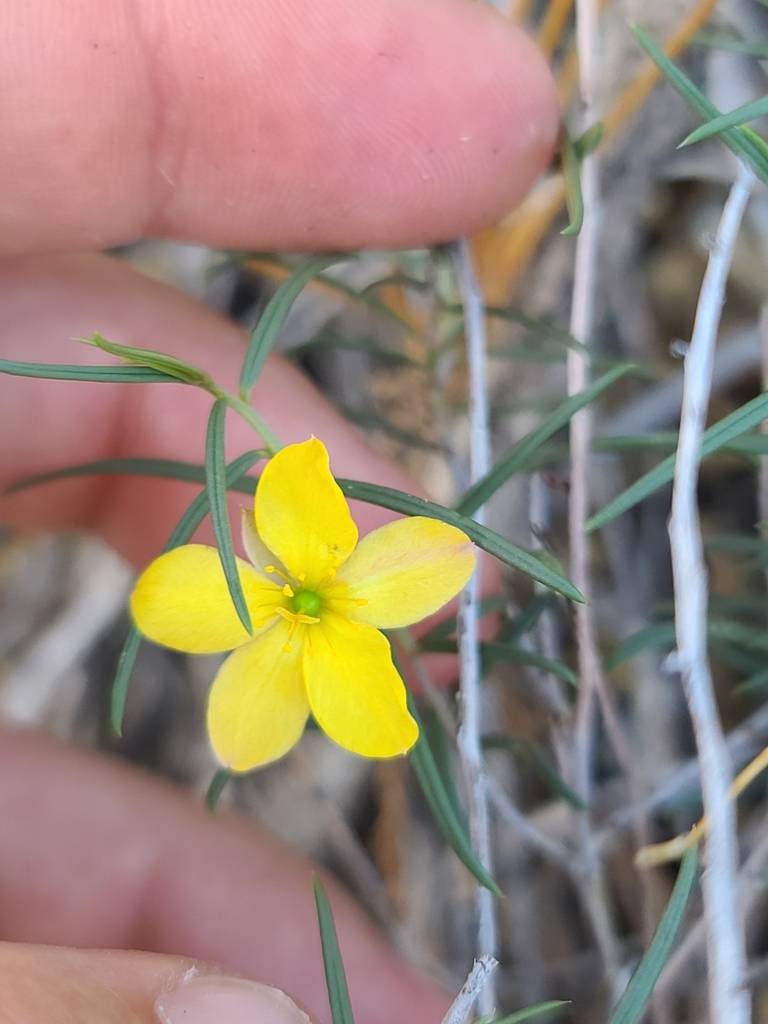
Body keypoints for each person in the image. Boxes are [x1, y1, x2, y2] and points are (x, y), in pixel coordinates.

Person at [0, 1, 558, 1020]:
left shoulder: (367, 561)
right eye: (300, 593)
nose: (300, 599)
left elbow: (404, 550)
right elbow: (238, 576)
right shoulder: (289, 573)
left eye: (302, 593)